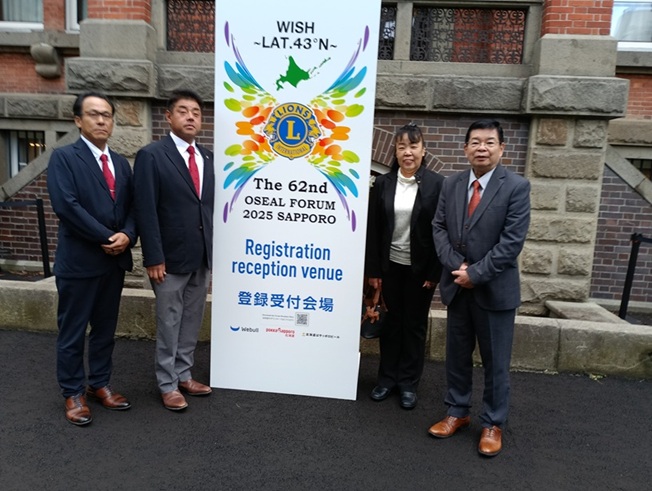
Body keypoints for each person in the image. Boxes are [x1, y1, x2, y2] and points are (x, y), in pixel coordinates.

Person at [429, 119, 530, 457]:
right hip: (458, 286)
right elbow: (438, 227)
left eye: (489, 142)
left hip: (494, 291)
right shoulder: (452, 184)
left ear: (502, 148)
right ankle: (457, 411)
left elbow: (511, 242)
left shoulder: (516, 187)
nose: (481, 148)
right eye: (475, 142)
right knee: (456, 357)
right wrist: (457, 266)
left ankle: (492, 423)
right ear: (465, 148)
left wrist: (476, 273)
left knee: (495, 362)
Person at [47, 91, 137, 425]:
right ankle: (73, 392)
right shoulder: (64, 158)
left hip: (113, 263)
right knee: (72, 332)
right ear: (78, 120)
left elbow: (132, 208)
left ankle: (100, 383)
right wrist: (106, 237)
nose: (101, 120)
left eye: (107, 115)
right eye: (93, 114)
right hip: (80, 263)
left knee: (104, 330)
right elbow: (67, 206)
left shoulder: (121, 164)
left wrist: (128, 235)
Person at [133, 89, 215, 411]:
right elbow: (145, 209)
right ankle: (167, 383)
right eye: (183, 111)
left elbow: (204, 207)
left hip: (200, 255)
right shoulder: (152, 155)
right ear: (168, 117)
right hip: (167, 259)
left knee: (192, 319)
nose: (190, 117)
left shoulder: (207, 157)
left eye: (196, 112)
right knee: (169, 321)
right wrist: (153, 256)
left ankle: (183, 374)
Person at [365, 123, 444, 410]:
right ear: (395, 152)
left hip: (420, 271)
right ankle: (386, 379)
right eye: (401, 147)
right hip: (390, 268)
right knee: (391, 324)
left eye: (413, 146)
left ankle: (408, 383)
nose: (407, 152)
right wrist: (374, 271)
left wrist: (434, 272)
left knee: (414, 326)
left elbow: (441, 230)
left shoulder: (437, 184)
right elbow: (374, 229)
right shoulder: (383, 183)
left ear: (423, 150)